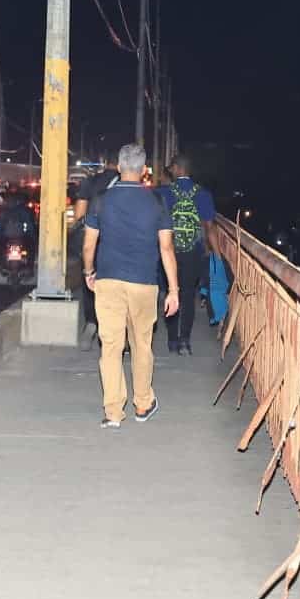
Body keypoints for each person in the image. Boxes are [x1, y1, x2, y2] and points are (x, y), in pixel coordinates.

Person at [82, 142, 180, 429]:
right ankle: (143, 403)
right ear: (143, 169)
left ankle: (113, 412)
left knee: (110, 346)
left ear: (120, 166)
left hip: (109, 281)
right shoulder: (157, 202)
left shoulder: (101, 200)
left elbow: (89, 245)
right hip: (144, 284)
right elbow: (167, 249)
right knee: (141, 344)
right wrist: (173, 290)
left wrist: (90, 272)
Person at [156, 153, 218, 355]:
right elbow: (209, 227)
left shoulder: (163, 193)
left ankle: (172, 340)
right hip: (194, 251)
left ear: (177, 168)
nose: (170, 171)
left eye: (171, 168)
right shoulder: (203, 194)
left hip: (168, 251)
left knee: (170, 292)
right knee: (188, 295)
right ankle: (185, 341)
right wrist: (216, 253)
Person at [73, 153, 120, 350]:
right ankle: (111, 329)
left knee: (90, 282)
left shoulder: (89, 183)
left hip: (93, 239)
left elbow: (79, 215)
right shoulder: (123, 185)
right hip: (116, 243)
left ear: (105, 163)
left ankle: (91, 323)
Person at [0, 186, 36, 266]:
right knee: (31, 248)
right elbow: (30, 225)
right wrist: (32, 235)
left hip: (8, 236)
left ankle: (0, 259)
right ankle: (30, 265)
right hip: (21, 236)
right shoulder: (24, 211)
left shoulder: (4, 211)